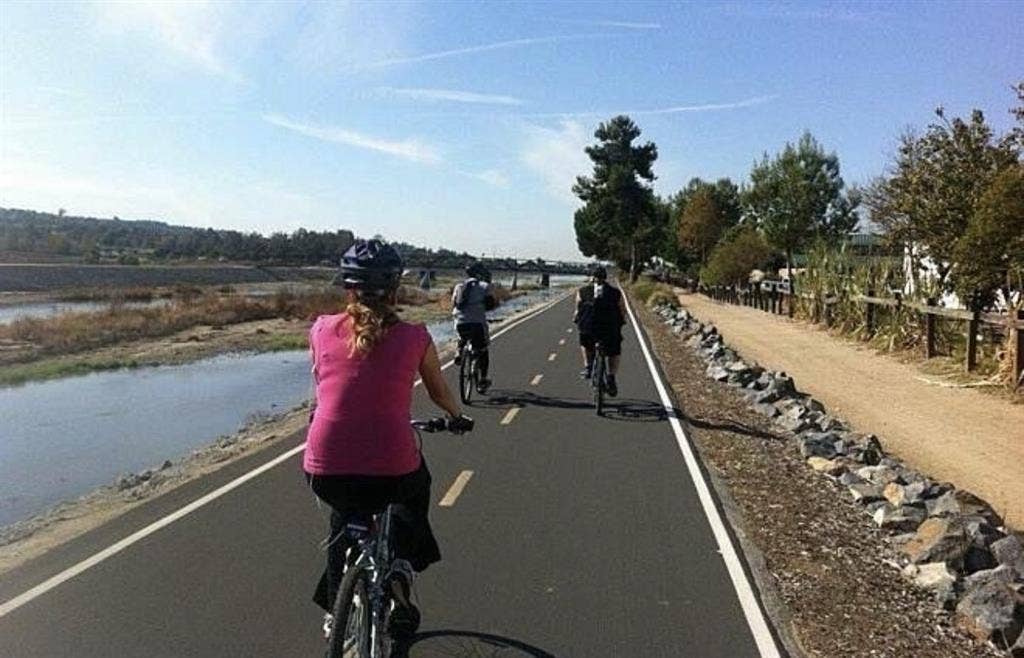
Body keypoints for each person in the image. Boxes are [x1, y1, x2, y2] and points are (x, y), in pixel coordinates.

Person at [304, 239, 471, 640]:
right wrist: (456, 416)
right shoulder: (415, 336)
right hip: (392, 464)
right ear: (395, 289)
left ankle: (334, 609)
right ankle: (398, 576)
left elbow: (322, 383)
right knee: (412, 491)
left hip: (324, 465)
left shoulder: (321, 329)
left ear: (348, 287)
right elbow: (437, 391)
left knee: (343, 516)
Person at [573, 265, 627, 396]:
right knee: (614, 352)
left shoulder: (582, 291)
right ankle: (611, 377)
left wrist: (576, 319)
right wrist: (622, 321)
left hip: (589, 330)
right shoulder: (616, 293)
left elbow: (577, 311)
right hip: (610, 330)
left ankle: (588, 367)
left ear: (592, 277)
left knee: (584, 343)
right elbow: (622, 311)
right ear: (606, 277)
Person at [451, 261, 498, 393]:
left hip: (460, 323)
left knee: (462, 336)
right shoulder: (484, 286)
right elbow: (491, 304)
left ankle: (459, 350)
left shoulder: (459, 286)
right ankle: (482, 380)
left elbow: (454, 303)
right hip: (477, 323)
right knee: (483, 350)